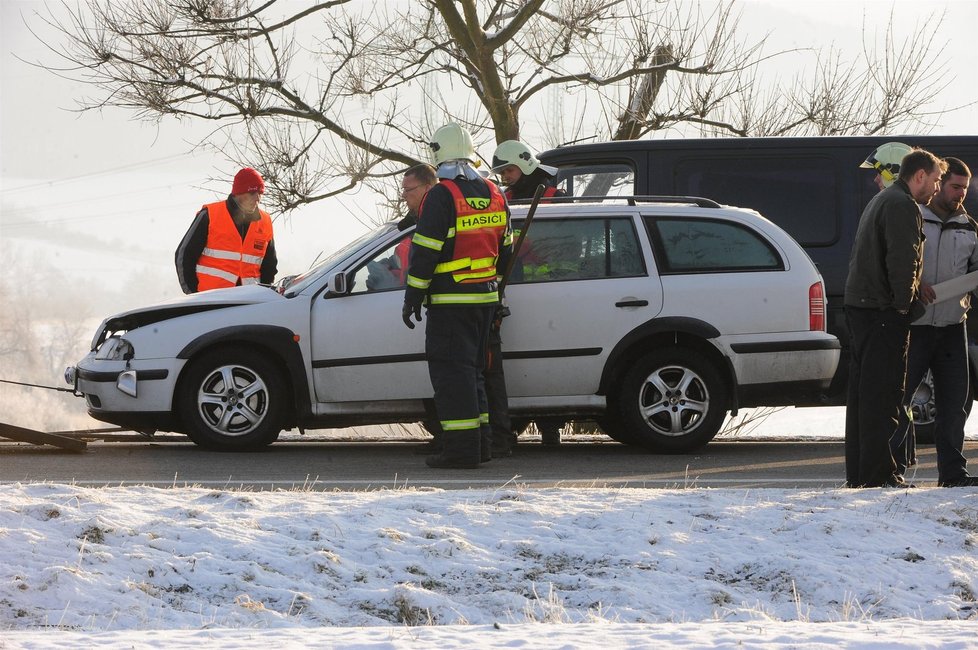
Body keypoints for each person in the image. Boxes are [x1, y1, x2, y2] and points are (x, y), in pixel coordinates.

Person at [402, 123, 513, 469]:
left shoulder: (442, 195)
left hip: (451, 303)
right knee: (474, 374)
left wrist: (413, 297)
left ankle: (461, 452)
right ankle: (480, 446)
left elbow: (425, 252)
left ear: (437, 154)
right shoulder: (495, 193)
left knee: (453, 377)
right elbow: (506, 250)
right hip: (485, 301)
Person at [844, 148, 945, 488]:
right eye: (935, 179)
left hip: (864, 309)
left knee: (862, 397)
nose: (936, 186)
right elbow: (903, 262)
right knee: (883, 395)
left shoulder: (883, 200)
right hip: (883, 313)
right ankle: (879, 475)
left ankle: (861, 473)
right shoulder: (904, 206)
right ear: (919, 176)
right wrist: (904, 307)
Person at [891, 158, 978, 487]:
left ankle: (954, 474)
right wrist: (916, 286)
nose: (960, 195)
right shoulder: (914, 216)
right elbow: (899, 263)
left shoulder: (968, 227)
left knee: (954, 404)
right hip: (916, 326)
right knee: (901, 400)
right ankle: (892, 469)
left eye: (965, 190)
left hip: (954, 326)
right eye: (955, 187)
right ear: (939, 184)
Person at [491, 140, 567, 446]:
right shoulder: (505, 198)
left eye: (508, 170)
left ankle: (551, 427)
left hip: (550, 290)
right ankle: (512, 425)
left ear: (524, 165)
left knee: (547, 362)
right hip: (514, 287)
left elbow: (564, 245)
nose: (505, 177)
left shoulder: (553, 197)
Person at [175, 167, 277, 293]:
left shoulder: (265, 222)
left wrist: (263, 296)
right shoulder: (209, 215)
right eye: (252, 193)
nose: (257, 198)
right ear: (238, 192)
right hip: (211, 302)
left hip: (250, 302)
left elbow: (269, 267)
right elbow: (184, 256)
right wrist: (193, 295)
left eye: (260, 193)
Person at [491, 140, 566, 201]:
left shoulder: (555, 198)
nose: (505, 177)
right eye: (502, 173)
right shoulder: (505, 200)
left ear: (525, 166)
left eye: (510, 170)